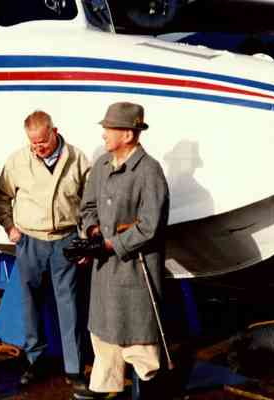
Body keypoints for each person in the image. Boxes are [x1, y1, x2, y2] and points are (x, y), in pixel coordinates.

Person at [0, 110, 91, 392]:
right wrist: (10, 227)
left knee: (70, 305)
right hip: (30, 241)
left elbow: (90, 202)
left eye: (43, 142)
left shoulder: (77, 159)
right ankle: (35, 361)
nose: (38, 148)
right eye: (33, 143)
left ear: (54, 132)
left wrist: (85, 238)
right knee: (30, 304)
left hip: (65, 240)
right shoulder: (17, 161)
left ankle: (74, 368)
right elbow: (1, 197)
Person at [79, 102, 170, 399]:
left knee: (139, 341)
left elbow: (151, 225)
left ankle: (147, 392)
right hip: (104, 272)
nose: (103, 134)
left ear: (128, 134)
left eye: (109, 129)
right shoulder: (101, 166)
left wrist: (113, 244)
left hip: (135, 271)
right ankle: (106, 390)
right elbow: (87, 207)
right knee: (104, 337)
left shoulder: (149, 171)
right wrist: (92, 231)